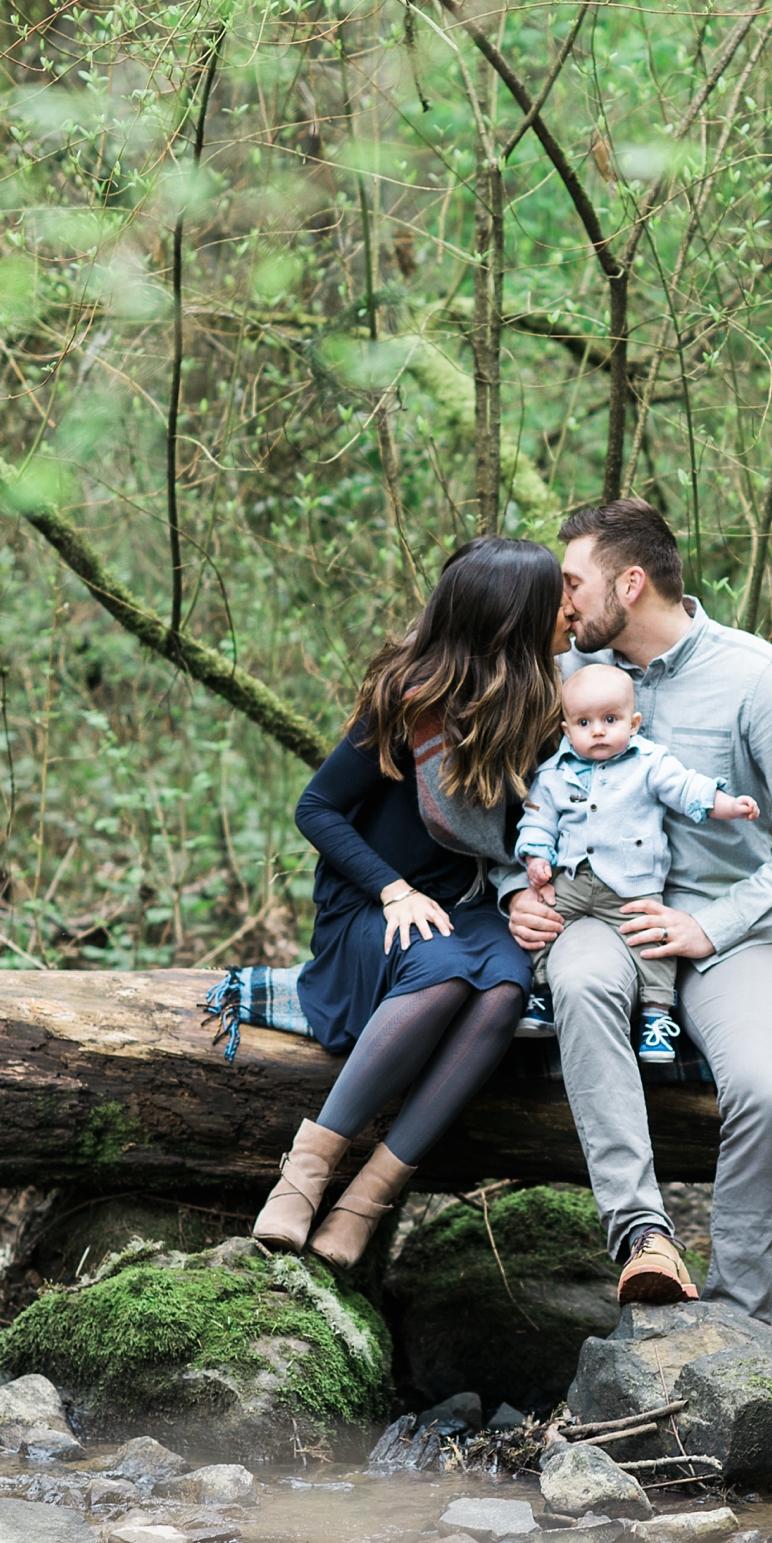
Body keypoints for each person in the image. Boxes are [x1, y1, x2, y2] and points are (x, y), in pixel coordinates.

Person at [499, 499, 772, 1319]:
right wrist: (515, 891)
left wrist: (711, 925)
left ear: (630, 581)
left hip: (731, 932)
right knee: (579, 984)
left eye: (573, 583)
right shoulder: (559, 682)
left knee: (765, 1089)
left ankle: (734, 1321)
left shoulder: (758, 678)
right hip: (603, 917)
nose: (562, 604)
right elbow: (506, 810)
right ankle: (643, 1238)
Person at [252, 536, 563, 1268]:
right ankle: (303, 1177)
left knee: (504, 989)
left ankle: (366, 1200)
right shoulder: (409, 703)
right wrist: (392, 890)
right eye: (555, 601)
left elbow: (525, 830)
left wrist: (526, 892)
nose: (569, 613)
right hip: (372, 910)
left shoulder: (540, 705)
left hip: (470, 903)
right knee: (450, 972)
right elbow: (317, 808)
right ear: (514, 621)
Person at [516, 665, 761, 1064]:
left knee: (652, 941)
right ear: (566, 730)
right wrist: (536, 857)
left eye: (609, 720)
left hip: (633, 883)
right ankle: (540, 995)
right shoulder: (554, 774)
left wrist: (729, 805)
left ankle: (656, 1017)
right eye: (584, 722)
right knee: (539, 923)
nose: (597, 731)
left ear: (633, 724)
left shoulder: (650, 763)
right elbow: (537, 820)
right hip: (572, 879)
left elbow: (687, 789)